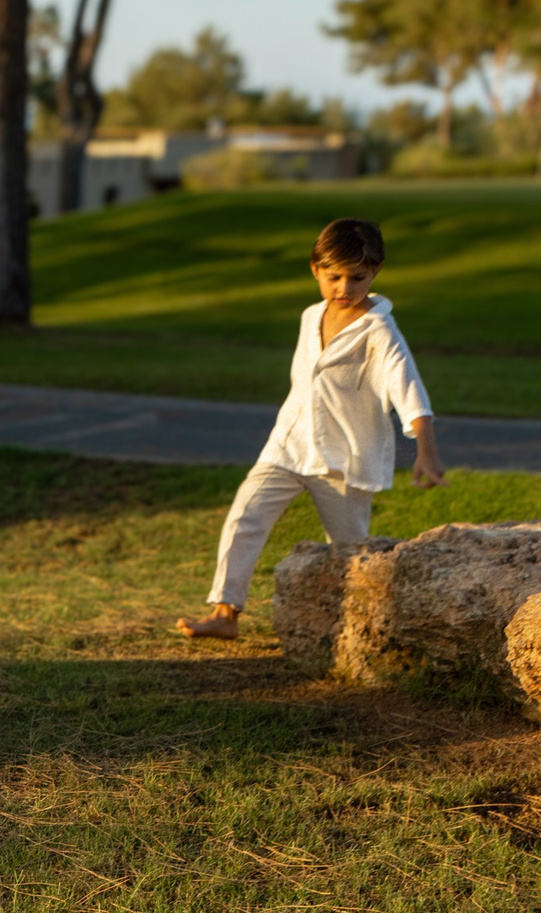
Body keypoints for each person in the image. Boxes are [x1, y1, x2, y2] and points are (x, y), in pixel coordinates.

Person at [178, 217, 445, 641]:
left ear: (376, 271)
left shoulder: (380, 331)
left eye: (357, 278)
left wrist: (426, 453)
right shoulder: (310, 316)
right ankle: (225, 613)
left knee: (349, 553)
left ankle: (362, 629)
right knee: (245, 515)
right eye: (334, 277)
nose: (344, 288)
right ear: (315, 270)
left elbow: (409, 389)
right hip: (288, 444)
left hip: (342, 459)